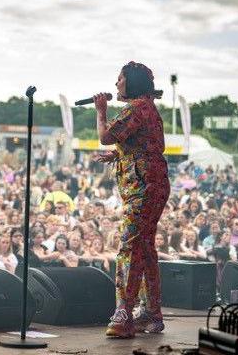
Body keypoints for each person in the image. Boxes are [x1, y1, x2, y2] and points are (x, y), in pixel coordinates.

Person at [93, 61, 170, 337]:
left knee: (129, 246)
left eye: (120, 79)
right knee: (144, 247)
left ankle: (123, 313)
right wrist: (119, 155)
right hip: (153, 185)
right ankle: (151, 312)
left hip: (144, 188)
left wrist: (100, 111)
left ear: (132, 82)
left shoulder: (137, 108)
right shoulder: (148, 107)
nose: (116, 84)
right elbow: (146, 145)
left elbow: (105, 136)